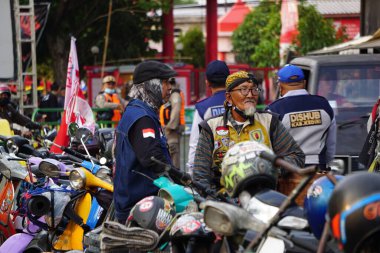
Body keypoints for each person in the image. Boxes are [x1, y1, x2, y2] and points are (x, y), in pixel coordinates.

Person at [193, 71, 305, 194]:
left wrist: (268, 167)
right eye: (244, 89)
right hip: (225, 201)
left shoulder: (270, 121)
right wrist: (212, 197)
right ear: (229, 97)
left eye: (254, 90)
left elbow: (296, 156)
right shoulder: (211, 127)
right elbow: (200, 175)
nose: (250, 95)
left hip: (265, 196)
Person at [113, 60, 176, 224]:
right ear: (150, 85)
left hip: (136, 202)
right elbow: (152, 158)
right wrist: (178, 178)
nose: (170, 87)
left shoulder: (137, 110)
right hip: (141, 207)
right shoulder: (143, 118)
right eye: (164, 82)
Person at [266, 64, 336, 170]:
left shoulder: (273, 109)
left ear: (280, 85)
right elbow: (331, 145)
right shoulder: (324, 105)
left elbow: (269, 146)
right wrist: (327, 162)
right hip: (318, 169)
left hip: (288, 171)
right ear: (304, 82)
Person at [187, 60, 230, 175]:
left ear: (207, 82)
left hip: (212, 170)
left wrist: (192, 171)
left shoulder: (203, 108)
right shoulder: (238, 103)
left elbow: (195, 143)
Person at [159, 77, 185, 169]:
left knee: (173, 162)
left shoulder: (175, 95)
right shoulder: (171, 96)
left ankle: (175, 181)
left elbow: (176, 112)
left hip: (171, 133)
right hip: (169, 132)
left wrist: (169, 127)